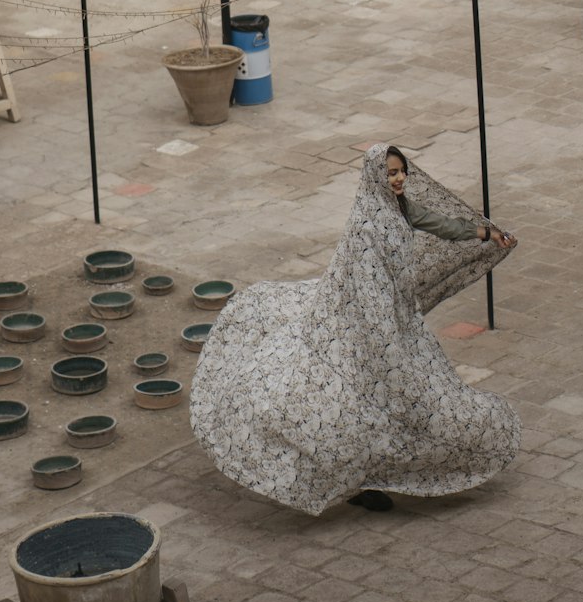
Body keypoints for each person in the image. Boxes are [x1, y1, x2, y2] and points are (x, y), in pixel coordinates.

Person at [190, 142, 519, 515]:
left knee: (402, 399)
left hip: (395, 319)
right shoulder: (367, 226)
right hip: (364, 323)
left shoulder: (400, 207)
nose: (397, 178)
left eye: (400, 171)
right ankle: (355, 479)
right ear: (375, 176)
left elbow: (440, 225)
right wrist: (386, 343)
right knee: (352, 403)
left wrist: (485, 234)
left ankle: (377, 473)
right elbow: (367, 286)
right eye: (390, 172)